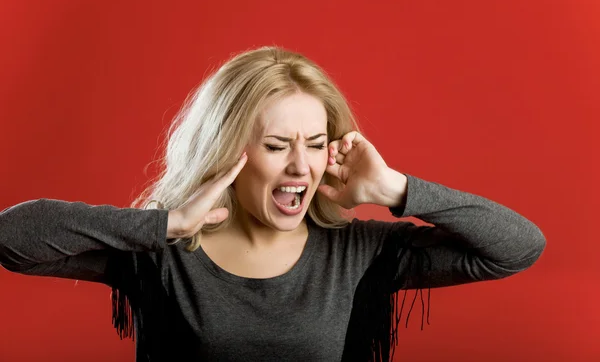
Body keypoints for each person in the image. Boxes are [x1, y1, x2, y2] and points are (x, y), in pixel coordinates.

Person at [0, 46, 546, 362]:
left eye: (313, 144)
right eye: (277, 146)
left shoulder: (357, 252)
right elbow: (13, 239)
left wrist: (395, 191)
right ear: (229, 151)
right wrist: (171, 222)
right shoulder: (164, 250)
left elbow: (519, 247)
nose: (300, 166)